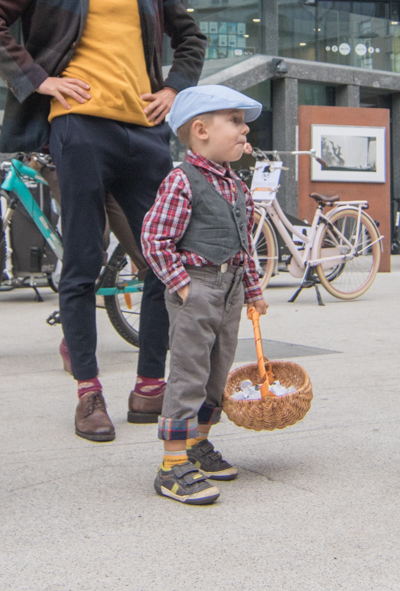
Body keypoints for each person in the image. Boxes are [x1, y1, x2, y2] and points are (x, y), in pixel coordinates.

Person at [0, 0, 207, 442]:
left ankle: (150, 384)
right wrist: (38, 80)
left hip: (145, 134)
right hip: (79, 129)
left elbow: (190, 36)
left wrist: (175, 88)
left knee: (160, 258)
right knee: (82, 260)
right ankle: (89, 393)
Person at [138, 85, 268, 506]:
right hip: (197, 286)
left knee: (218, 371)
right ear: (200, 130)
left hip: (228, 288)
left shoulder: (237, 187)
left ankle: (197, 444)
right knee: (189, 372)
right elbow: (155, 238)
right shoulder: (182, 180)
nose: (244, 129)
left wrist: (252, 290)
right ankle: (172, 464)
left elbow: (243, 245)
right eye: (234, 120)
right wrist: (181, 284)